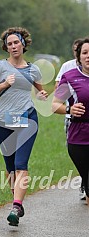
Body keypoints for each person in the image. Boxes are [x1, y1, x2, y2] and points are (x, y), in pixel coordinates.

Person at [0, 27, 48, 226]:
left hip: (27, 118)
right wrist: (3, 85)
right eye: (9, 44)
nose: (13, 46)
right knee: (10, 168)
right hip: (4, 121)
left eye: (16, 42)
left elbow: (40, 89)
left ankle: (16, 206)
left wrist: (41, 95)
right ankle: (15, 202)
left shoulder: (32, 69)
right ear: (6, 47)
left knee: (21, 164)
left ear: (23, 44)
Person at [52, 37, 89, 207]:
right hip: (78, 136)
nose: (88, 56)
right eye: (85, 53)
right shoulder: (70, 76)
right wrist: (69, 110)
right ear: (79, 56)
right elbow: (55, 105)